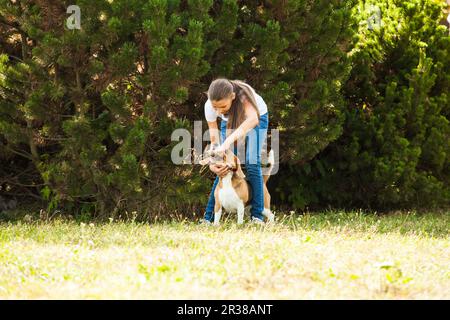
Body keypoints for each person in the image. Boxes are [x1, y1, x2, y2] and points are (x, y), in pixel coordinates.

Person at [201, 78, 269, 225]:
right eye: (215, 107)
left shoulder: (243, 95)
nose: (218, 111)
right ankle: (208, 218)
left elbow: (252, 120)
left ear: (232, 97)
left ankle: (257, 217)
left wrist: (227, 143)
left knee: (252, 162)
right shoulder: (209, 106)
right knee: (224, 167)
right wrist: (214, 163)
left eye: (222, 106)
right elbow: (214, 140)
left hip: (257, 118)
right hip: (230, 120)